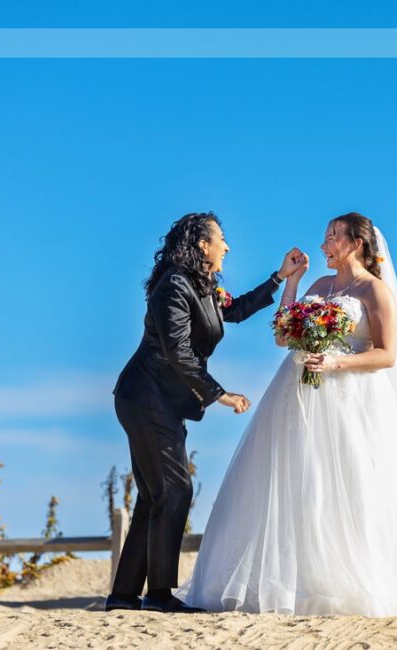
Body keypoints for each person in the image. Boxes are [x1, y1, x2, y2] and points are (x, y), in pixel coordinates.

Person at [177, 213, 397, 618]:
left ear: (356, 243)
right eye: (325, 237)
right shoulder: (318, 286)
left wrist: (334, 364)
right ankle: (290, 581)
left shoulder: (375, 291)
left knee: (343, 483)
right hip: (297, 394)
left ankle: (340, 582)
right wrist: (292, 284)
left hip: (349, 399)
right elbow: (283, 337)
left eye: (332, 237)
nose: (324, 245)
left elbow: (387, 354)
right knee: (296, 481)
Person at [106, 212, 307, 613]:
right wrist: (220, 394)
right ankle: (160, 595)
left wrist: (280, 277)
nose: (226, 247)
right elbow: (177, 350)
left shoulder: (203, 285)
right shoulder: (174, 287)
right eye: (221, 240)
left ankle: (124, 596)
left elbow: (234, 311)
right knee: (176, 490)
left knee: (154, 496)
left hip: (159, 400)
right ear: (202, 245)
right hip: (145, 398)